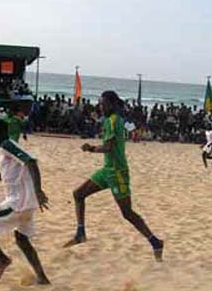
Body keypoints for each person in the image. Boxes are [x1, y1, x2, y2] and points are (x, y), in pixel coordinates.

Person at [64, 91, 164, 262]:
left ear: (111, 104)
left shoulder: (114, 120)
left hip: (117, 172)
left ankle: (155, 242)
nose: (100, 107)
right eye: (100, 103)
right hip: (107, 170)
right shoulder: (111, 120)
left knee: (127, 213)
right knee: (78, 194)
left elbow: (108, 147)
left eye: (103, 104)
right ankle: (80, 233)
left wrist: (91, 148)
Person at [0, 119, 50, 284]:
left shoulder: (7, 145)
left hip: (17, 203)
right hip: (27, 205)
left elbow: (31, 162)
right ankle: (42, 278)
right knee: (22, 240)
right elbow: (8, 177)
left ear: (1, 135)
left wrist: (38, 190)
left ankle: (2, 259)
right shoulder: (7, 150)